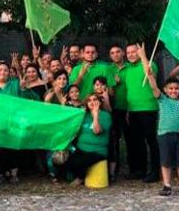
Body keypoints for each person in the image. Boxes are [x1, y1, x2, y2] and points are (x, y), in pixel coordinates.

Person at [140, 44, 179, 197]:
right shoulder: (162, 99)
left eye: (176, 89)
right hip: (164, 134)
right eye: (170, 89)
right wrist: (144, 57)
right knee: (166, 161)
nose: (173, 91)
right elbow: (150, 77)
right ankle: (167, 185)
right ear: (165, 90)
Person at [123, 43, 160, 183]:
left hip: (148, 109)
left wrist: (144, 56)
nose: (131, 55)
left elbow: (149, 74)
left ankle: (155, 171)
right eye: (129, 52)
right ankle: (140, 170)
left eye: (134, 52)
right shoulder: (127, 70)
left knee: (151, 141)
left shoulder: (149, 64)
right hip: (133, 110)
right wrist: (127, 109)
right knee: (137, 141)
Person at [59, 94, 112, 185]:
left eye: (95, 99)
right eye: (89, 100)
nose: (92, 102)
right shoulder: (84, 115)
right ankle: (78, 175)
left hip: (97, 151)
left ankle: (80, 177)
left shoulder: (105, 116)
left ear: (99, 102)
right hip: (80, 149)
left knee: (78, 162)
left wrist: (95, 115)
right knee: (59, 160)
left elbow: (97, 131)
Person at [108, 44, 128, 183]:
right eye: (112, 52)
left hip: (129, 108)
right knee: (114, 139)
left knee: (131, 139)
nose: (115, 54)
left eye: (118, 52)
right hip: (113, 108)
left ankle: (135, 168)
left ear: (123, 53)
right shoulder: (108, 69)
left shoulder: (130, 67)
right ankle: (114, 170)